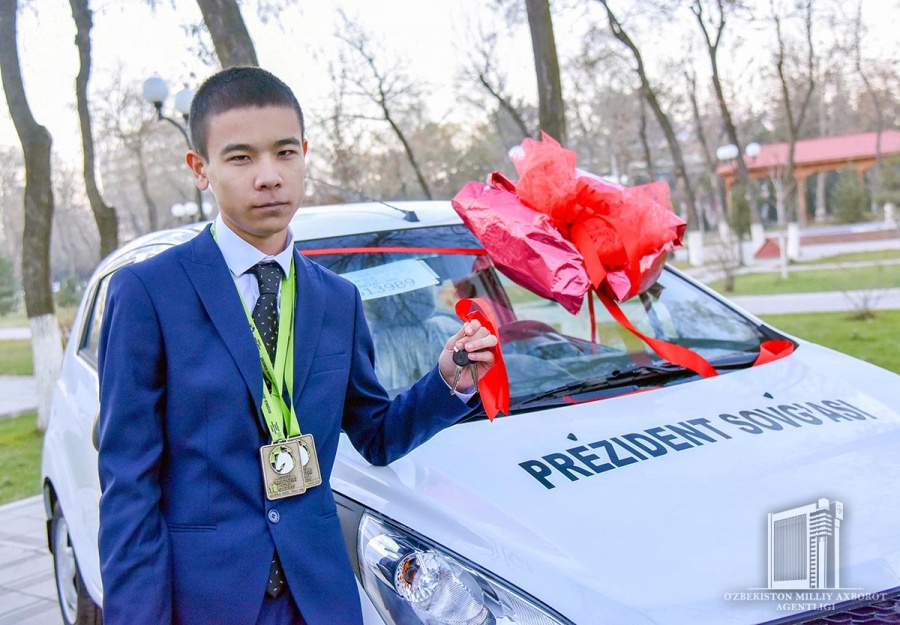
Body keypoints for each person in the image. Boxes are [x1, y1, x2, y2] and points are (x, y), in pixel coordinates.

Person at [96, 66, 497, 625]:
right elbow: (128, 486)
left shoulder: (336, 300)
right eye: (240, 158)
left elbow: (375, 435)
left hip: (319, 597)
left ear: (305, 154)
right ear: (200, 170)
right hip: (204, 602)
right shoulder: (147, 293)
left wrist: (448, 383)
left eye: (285, 153)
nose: (269, 176)